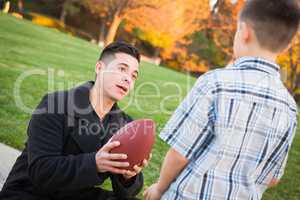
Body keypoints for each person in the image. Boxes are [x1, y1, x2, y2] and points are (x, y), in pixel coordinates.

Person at [144, 0, 300, 199]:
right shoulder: (289, 108)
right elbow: (273, 177)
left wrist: (160, 188)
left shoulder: (215, 83)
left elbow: (180, 153)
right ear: (286, 46)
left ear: (244, 31)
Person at [0, 41, 149, 200]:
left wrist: (128, 177)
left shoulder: (124, 124)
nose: (128, 79)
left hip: (76, 194)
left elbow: (127, 192)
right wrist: (95, 163)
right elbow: (41, 172)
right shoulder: (54, 104)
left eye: (133, 75)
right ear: (99, 68)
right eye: (122, 69)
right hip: (30, 192)